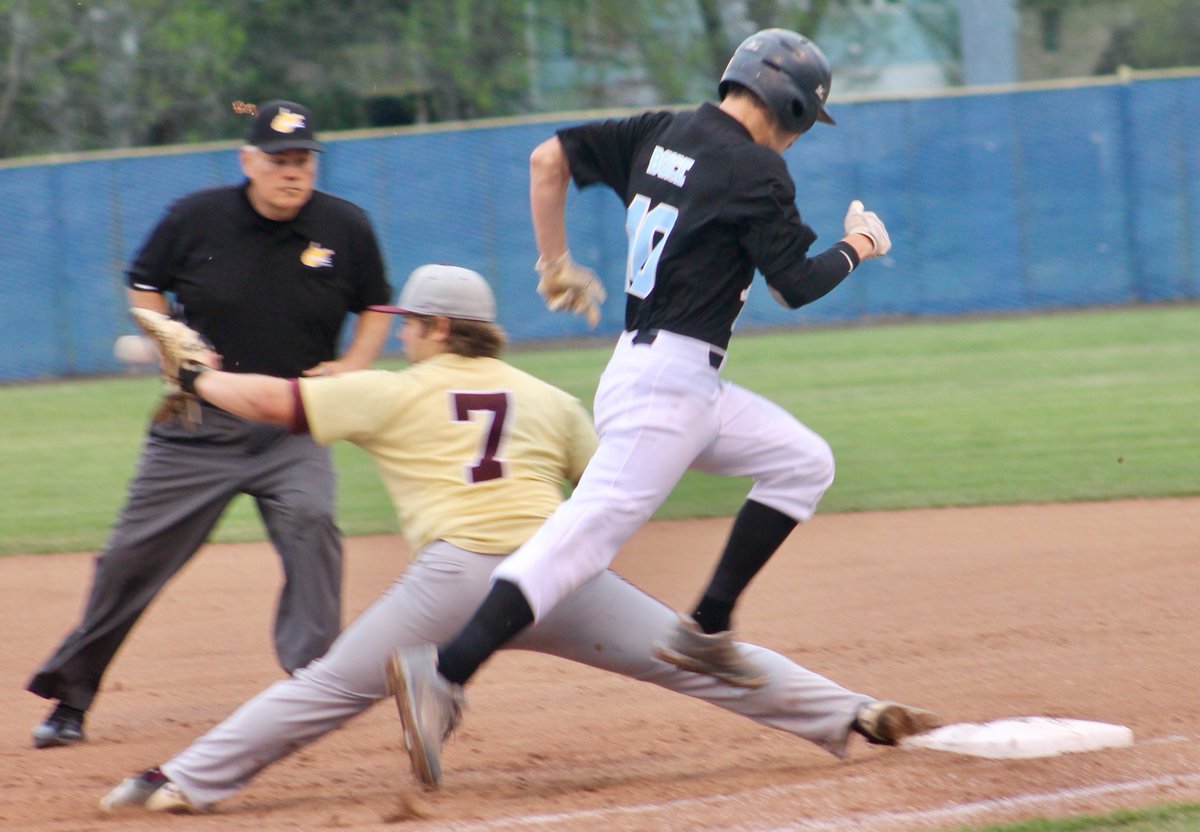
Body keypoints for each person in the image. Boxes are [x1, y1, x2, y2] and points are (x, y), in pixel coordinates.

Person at [99, 264, 934, 813]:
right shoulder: (544, 398)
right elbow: (614, 484)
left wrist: (201, 376)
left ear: (432, 326)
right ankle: (852, 713)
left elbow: (276, 402)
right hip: (556, 575)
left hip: (453, 585)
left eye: (409, 321)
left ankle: (179, 782)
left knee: (330, 687)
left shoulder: (393, 391)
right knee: (694, 654)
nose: (400, 331)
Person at [389, 29, 910, 786]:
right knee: (578, 542)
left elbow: (546, 160)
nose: (797, 141)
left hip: (673, 381)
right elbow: (793, 284)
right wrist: (859, 245)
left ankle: (707, 627)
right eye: (803, 123)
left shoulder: (660, 130)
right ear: (790, 107)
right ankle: (444, 673)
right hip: (664, 391)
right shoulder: (755, 169)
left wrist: (555, 262)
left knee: (802, 462)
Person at [27, 100, 394, 749]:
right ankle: (71, 699)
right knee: (130, 561)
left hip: (293, 425)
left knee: (313, 526)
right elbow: (143, 281)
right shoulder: (198, 217)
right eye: (279, 160)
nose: (292, 171)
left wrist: (354, 362)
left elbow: (374, 303)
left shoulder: (345, 225)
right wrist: (169, 341)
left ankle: (312, 687)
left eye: (303, 159)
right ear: (248, 160)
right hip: (196, 428)